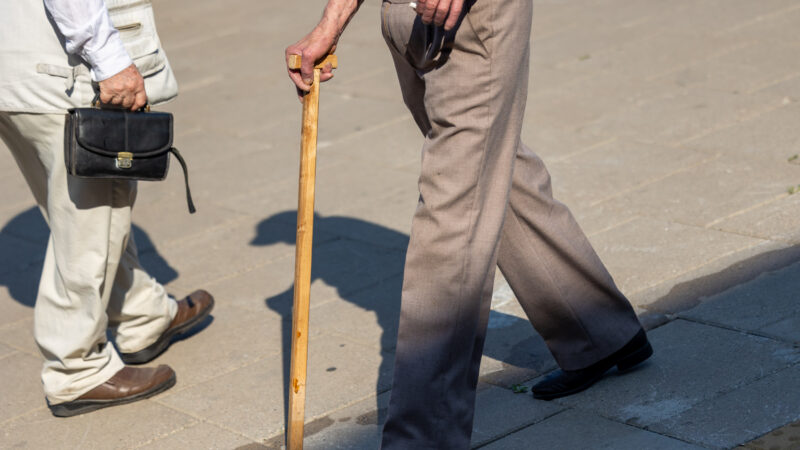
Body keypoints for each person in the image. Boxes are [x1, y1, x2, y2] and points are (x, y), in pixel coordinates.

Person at [285, 0, 653, 447]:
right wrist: (333, 21)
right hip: (406, 18)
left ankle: (423, 439)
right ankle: (596, 329)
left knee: (452, 219)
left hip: (469, 18)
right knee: (487, 168)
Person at [0, 0, 213, 417]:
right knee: (91, 221)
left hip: (13, 66)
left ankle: (141, 314)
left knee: (83, 213)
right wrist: (110, 59)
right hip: (59, 72)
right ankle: (76, 370)